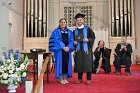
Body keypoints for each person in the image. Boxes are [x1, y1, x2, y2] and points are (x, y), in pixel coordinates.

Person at [49, 18, 74, 84]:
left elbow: (72, 40)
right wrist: (63, 47)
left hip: (67, 51)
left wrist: (68, 47)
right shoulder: (56, 31)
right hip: (59, 50)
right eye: (61, 22)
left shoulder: (69, 32)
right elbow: (56, 40)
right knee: (60, 64)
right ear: (59, 23)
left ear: (66, 23)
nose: (63, 23)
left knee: (66, 64)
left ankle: (65, 78)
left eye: (64, 22)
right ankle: (60, 79)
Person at [73, 13, 95, 85]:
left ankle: (88, 79)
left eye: (80, 19)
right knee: (79, 64)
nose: (79, 21)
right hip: (79, 50)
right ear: (76, 21)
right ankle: (79, 79)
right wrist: (74, 42)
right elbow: (72, 40)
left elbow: (93, 37)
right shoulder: (74, 31)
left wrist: (88, 39)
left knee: (88, 64)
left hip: (87, 50)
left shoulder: (88, 29)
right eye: (77, 20)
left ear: (83, 20)